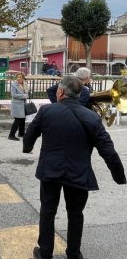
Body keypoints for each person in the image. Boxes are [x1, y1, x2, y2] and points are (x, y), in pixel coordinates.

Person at [23, 75, 126, 259]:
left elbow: (30, 134)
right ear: (80, 94)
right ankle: (73, 253)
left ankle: (45, 253)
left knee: (47, 212)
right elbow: (108, 150)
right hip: (79, 172)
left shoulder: (46, 111)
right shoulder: (92, 117)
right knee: (75, 214)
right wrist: (119, 176)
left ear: (61, 92)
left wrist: (27, 147)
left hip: (50, 171)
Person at [8, 72, 29, 141]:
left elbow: (27, 93)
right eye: (18, 77)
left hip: (23, 104)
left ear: (23, 78)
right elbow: (14, 95)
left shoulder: (25, 84)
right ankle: (11, 135)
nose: (19, 78)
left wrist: (26, 95)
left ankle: (21, 133)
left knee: (22, 119)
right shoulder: (14, 85)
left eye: (20, 77)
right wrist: (24, 96)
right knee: (17, 120)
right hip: (16, 105)